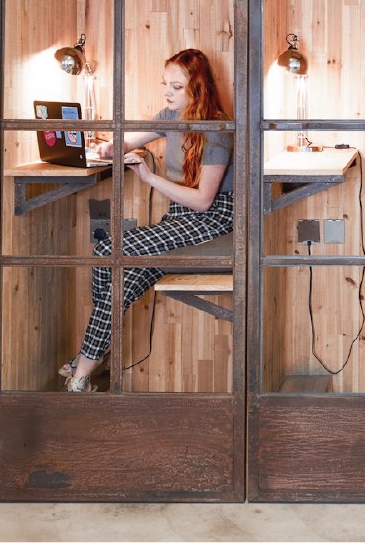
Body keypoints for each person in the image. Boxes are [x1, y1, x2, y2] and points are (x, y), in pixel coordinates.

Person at [58, 48, 236, 393]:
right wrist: (111, 147)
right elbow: (127, 139)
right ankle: (87, 366)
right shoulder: (170, 116)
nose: (168, 93)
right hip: (178, 220)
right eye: (164, 84)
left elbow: (203, 201)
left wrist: (150, 177)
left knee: (109, 248)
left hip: (213, 220)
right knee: (121, 273)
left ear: (197, 89)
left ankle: (84, 365)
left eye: (176, 86)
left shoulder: (216, 131)